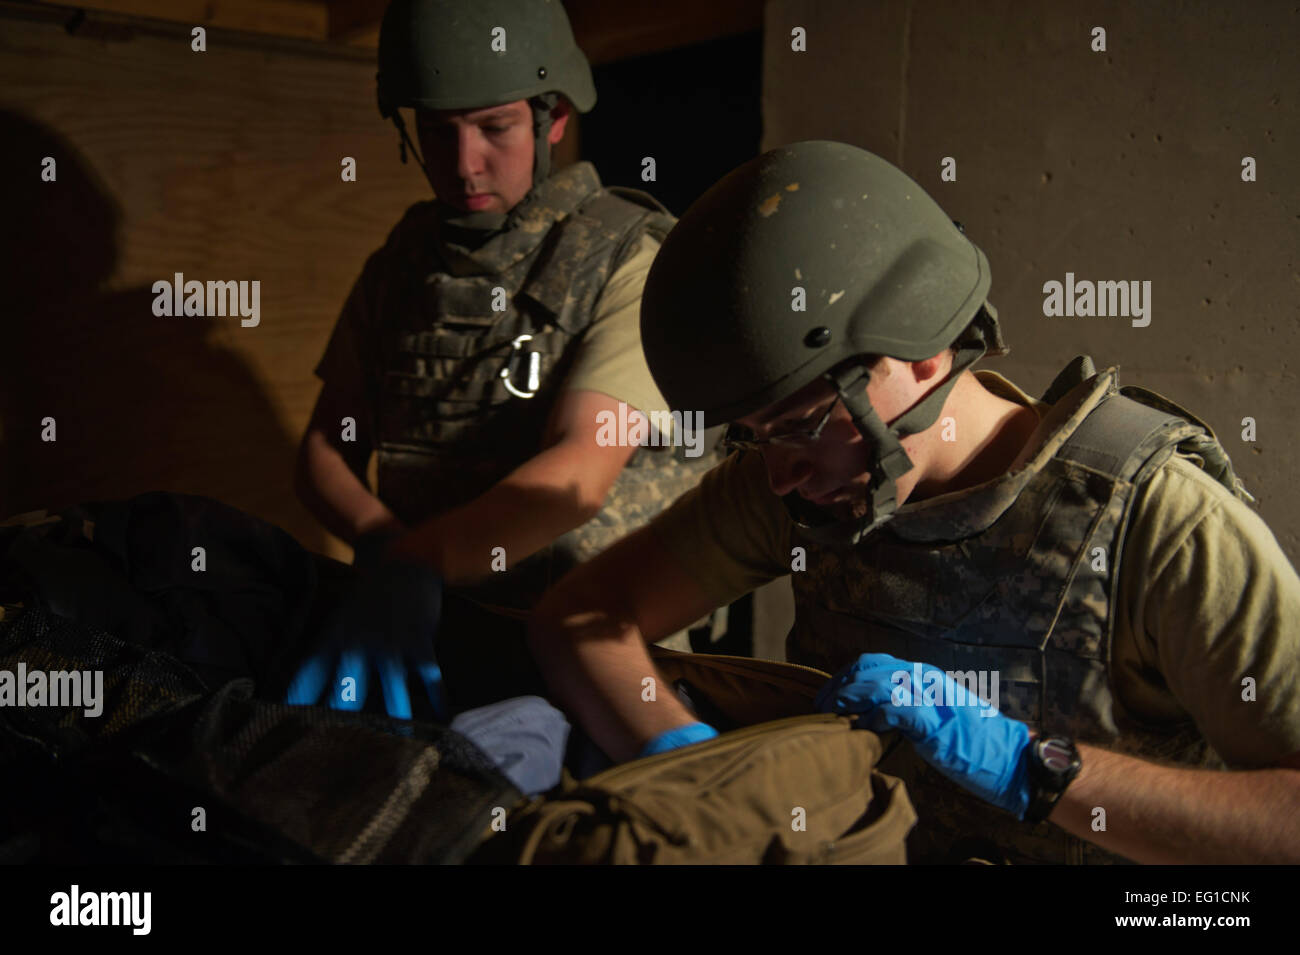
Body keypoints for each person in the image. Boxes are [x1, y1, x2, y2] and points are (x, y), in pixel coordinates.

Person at [526, 140, 1300, 864]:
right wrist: (690, 759)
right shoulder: (812, 480)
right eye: (757, 438)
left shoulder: (1160, 523)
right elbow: (582, 618)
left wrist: (1034, 769)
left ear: (923, 351)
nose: (779, 477)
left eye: (800, 424)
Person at [292, 0, 713, 720]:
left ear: (552, 118)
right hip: (428, 629)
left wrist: (413, 561)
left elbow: (578, 476)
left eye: (495, 128)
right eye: (436, 130)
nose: (463, 164)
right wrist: (383, 547)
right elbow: (327, 447)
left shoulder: (627, 256)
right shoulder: (401, 264)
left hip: (597, 657)